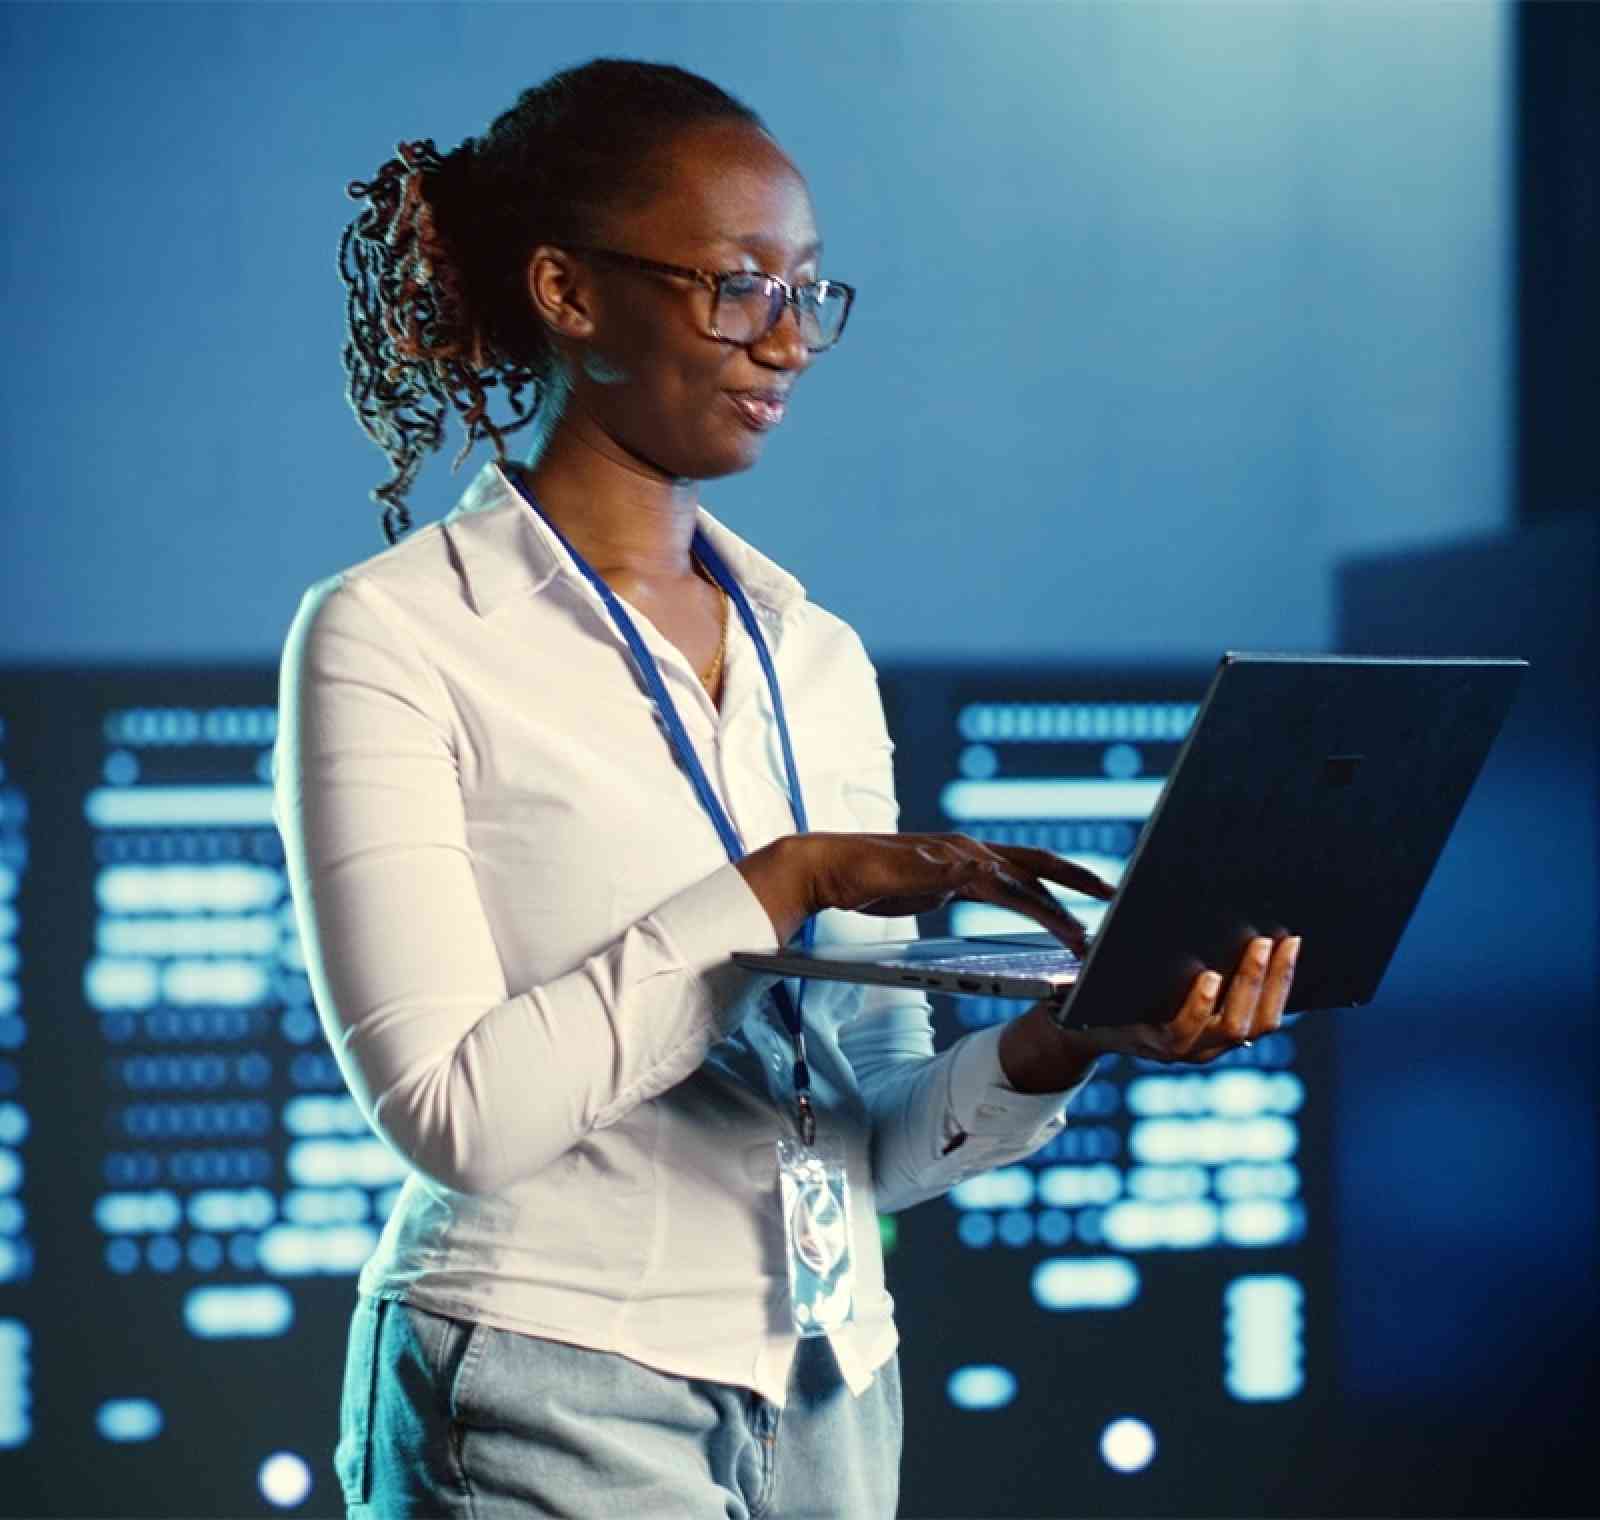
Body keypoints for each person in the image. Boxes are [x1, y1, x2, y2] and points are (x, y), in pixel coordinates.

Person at [275, 57, 1301, 1520]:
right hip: (536, 1375)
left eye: (809, 290)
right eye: (738, 284)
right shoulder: (393, 635)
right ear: (568, 292)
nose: (790, 337)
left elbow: (877, 1133)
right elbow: (456, 1118)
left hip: (831, 1380)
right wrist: (781, 882)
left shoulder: (812, 656)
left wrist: (1073, 1037)